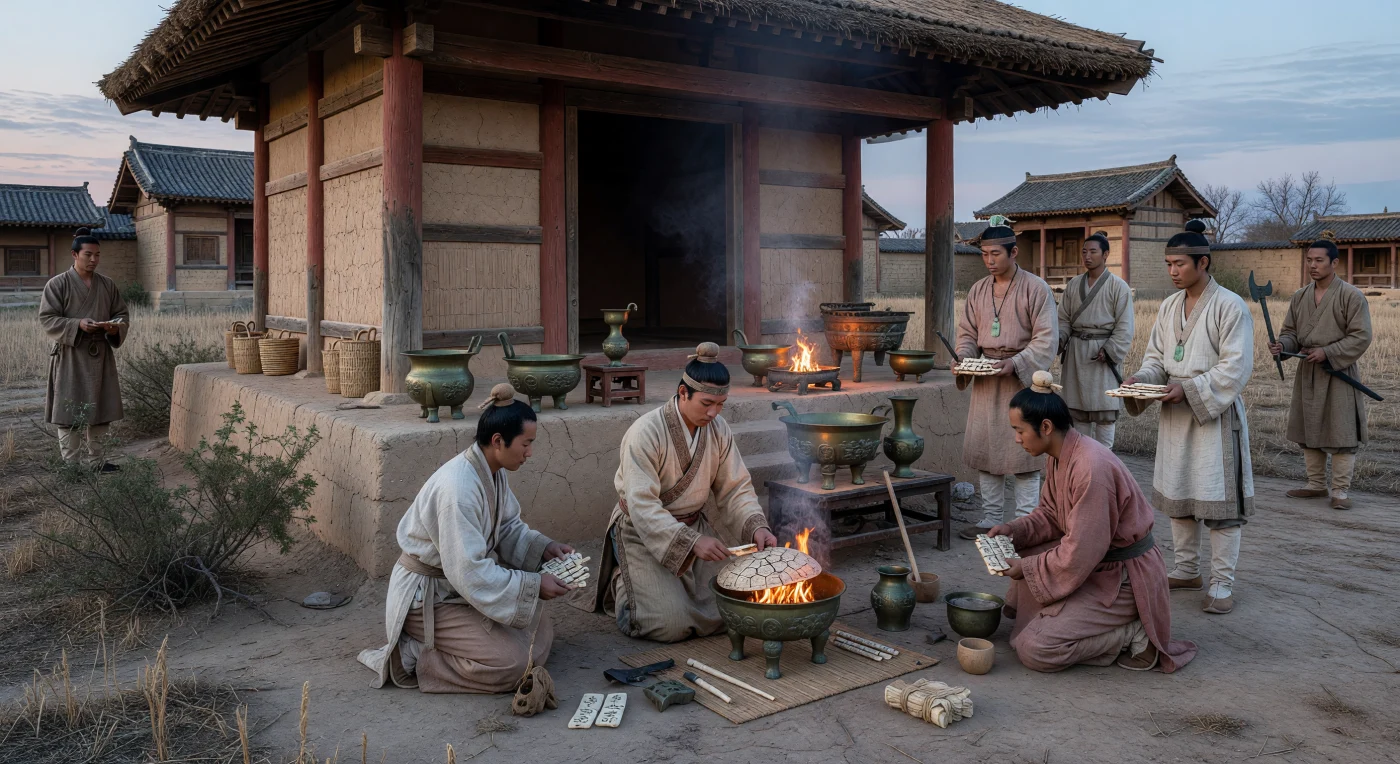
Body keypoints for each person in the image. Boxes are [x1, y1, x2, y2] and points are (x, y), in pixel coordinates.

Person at [358, 384, 576, 693]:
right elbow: (468, 570)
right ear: (498, 441)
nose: (530, 453)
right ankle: (415, 655)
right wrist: (534, 584)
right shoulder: (458, 489)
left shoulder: (492, 469)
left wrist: (544, 549)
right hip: (430, 598)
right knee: (512, 663)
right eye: (526, 444)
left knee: (540, 626)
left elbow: (508, 528)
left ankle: (474, 645)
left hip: (459, 586)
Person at [991, 371, 1196, 673]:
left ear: (1045, 427)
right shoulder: (1059, 453)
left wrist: (1030, 568)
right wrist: (1014, 531)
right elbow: (1051, 514)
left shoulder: (1091, 468)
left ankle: (1133, 635)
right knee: (1028, 561)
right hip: (1098, 564)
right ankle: (1068, 618)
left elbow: (1080, 551)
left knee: (1036, 648)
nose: (1016, 438)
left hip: (1124, 578)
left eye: (1019, 430)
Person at [594, 342, 778, 642]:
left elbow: (735, 489)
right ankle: (626, 584)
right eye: (706, 403)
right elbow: (642, 505)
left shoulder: (718, 429)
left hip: (695, 528)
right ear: (683, 393)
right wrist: (691, 543)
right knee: (671, 624)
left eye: (721, 404)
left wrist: (756, 527)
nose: (714, 412)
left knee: (741, 602)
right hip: (643, 532)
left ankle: (670, 590)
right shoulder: (645, 432)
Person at [1123, 220, 1254, 615]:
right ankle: (1186, 569)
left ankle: (1221, 582)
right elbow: (1156, 359)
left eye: (1179, 263)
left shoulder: (1230, 306)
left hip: (1212, 415)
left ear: (1203, 263)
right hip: (1175, 415)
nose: (1173, 271)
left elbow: (1236, 367)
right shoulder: (1167, 307)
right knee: (1179, 495)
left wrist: (1189, 390)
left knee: (1219, 503)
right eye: (1168, 264)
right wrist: (1142, 381)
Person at [955, 215, 1058, 540]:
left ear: (1014, 253)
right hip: (988, 381)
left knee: (1026, 453)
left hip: (1022, 382)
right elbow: (968, 333)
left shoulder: (1035, 288)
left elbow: (1046, 338)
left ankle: (1026, 523)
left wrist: (1018, 363)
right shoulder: (978, 290)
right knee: (988, 452)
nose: (989, 261)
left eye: (996, 254)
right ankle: (991, 519)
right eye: (984, 254)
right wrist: (964, 359)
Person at [1268, 237, 1372, 510]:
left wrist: (1328, 352)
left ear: (1334, 263)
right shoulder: (1300, 296)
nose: (1312, 265)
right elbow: (1290, 332)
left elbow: (1361, 336)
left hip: (1337, 371)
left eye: (1319, 260)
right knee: (1308, 427)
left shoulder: (1351, 295)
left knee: (1341, 430)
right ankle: (1315, 485)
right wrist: (1284, 346)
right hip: (1308, 370)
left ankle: (1340, 491)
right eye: (1309, 260)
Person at [39, 228, 129, 471]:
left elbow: (121, 313)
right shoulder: (57, 284)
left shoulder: (107, 285)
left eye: (97, 255)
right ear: (74, 254)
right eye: (88, 254)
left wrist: (113, 328)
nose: (94, 260)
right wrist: (77, 324)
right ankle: (72, 466)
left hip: (100, 354)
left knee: (101, 410)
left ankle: (97, 462)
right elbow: (47, 319)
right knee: (69, 411)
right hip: (71, 354)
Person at [1056, 232, 1134, 448]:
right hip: (1076, 354)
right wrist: (1060, 340)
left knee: (1104, 412)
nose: (1087, 256)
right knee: (1077, 415)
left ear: (1105, 254)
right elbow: (1063, 319)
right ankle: (1081, 463)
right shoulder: (1073, 285)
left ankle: (1104, 464)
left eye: (1093, 252)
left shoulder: (1119, 287)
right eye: (1084, 252)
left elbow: (1125, 326)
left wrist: (1110, 350)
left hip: (1102, 356)